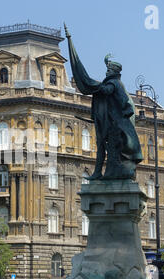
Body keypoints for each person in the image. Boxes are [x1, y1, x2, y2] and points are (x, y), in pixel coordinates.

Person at [65, 24, 143, 180]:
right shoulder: (112, 82)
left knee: (108, 147)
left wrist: (96, 86)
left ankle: (106, 172)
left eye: (109, 70)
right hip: (107, 123)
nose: (106, 72)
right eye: (107, 69)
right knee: (101, 146)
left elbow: (114, 96)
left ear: (114, 71)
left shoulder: (115, 83)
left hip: (114, 125)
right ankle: (97, 172)